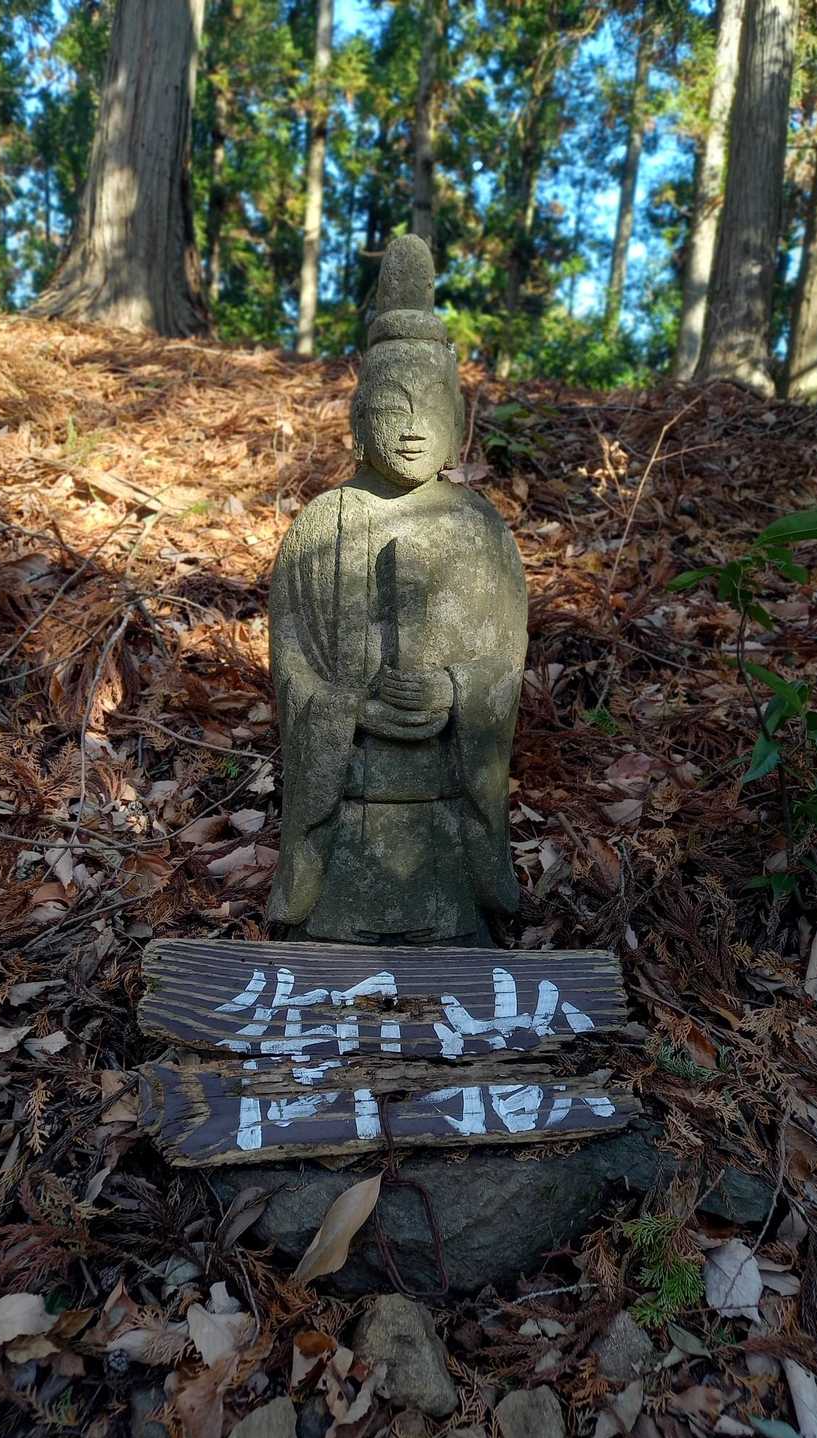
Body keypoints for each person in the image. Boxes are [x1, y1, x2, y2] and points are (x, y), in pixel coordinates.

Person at [267, 235, 528, 946]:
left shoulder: (481, 530)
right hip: (349, 810)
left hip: (448, 821)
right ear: (358, 419)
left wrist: (453, 690)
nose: (412, 429)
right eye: (392, 406)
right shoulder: (320, 526)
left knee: (458, 950)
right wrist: (349, 706)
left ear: (458, 419)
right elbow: (292, 669)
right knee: (332, 954)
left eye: (430, 406)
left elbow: (506, 666)